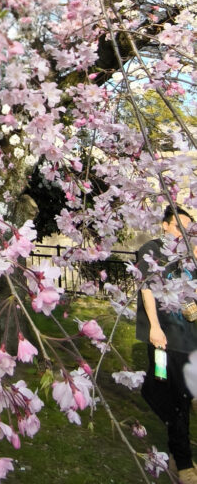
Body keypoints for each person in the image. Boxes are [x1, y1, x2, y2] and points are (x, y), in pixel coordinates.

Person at [137, 205, 197, 483]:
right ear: (164, 225)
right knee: (167, 389)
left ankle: (180, 458)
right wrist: (155, 327)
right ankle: (182, 461)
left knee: (178, 395)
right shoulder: (151, 249)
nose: (183, 233)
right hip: (162, 339)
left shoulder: (188, 254)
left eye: (188, 229)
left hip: (187, 340)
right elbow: (147, 289)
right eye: (178, 227)